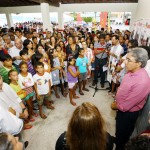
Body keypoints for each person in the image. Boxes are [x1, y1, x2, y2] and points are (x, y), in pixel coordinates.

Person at [111, 48, 150, 150]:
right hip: (120, 108)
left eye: (128, 60)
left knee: (123, 136)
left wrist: (115, 105)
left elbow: (126, 106)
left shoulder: (142, 81)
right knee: (119, 131)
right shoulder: (130, 71)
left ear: (138, 63)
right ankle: (118, 138)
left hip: (127, 114)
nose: (125, 62)